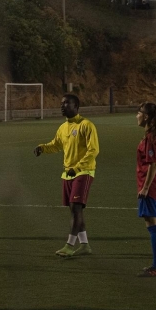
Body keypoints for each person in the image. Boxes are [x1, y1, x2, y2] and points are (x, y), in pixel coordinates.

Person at [33, 94, 99, 258]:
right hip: (68, 173)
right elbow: (56, 145)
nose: (62, 106)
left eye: (66, 103)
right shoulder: (63, 128)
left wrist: (77, 168)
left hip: (83, 172)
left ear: (76, 105)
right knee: (74, 210)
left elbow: (93, 150)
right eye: (61, 103)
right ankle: (84, 245)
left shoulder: (86, 125)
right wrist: (42, 148)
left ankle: (70, 245)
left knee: (76, 208)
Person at [135, 102, 156, 277]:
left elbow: (153, 164)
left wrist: (145, 187)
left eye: (139, 112)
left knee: (153, 226)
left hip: (151, 187)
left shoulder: (150, 138)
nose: (137, 115)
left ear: (146, 116)